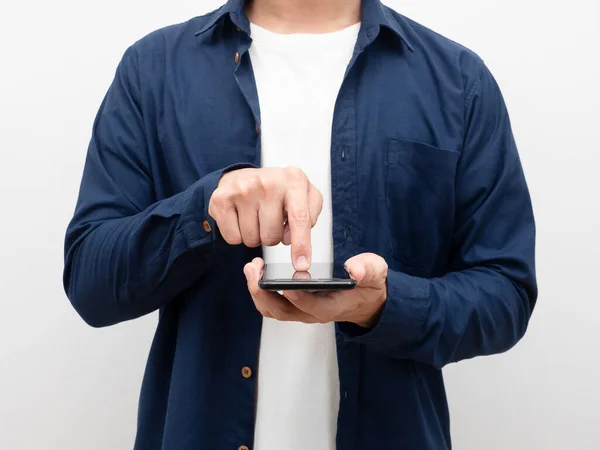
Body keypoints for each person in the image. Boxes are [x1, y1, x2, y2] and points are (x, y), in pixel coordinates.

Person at [63, 0, 537, 448]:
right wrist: (204, 211)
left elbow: (505, 292)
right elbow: (90, 280)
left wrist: (384, 306)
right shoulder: (153, 70)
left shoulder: (456, 81)